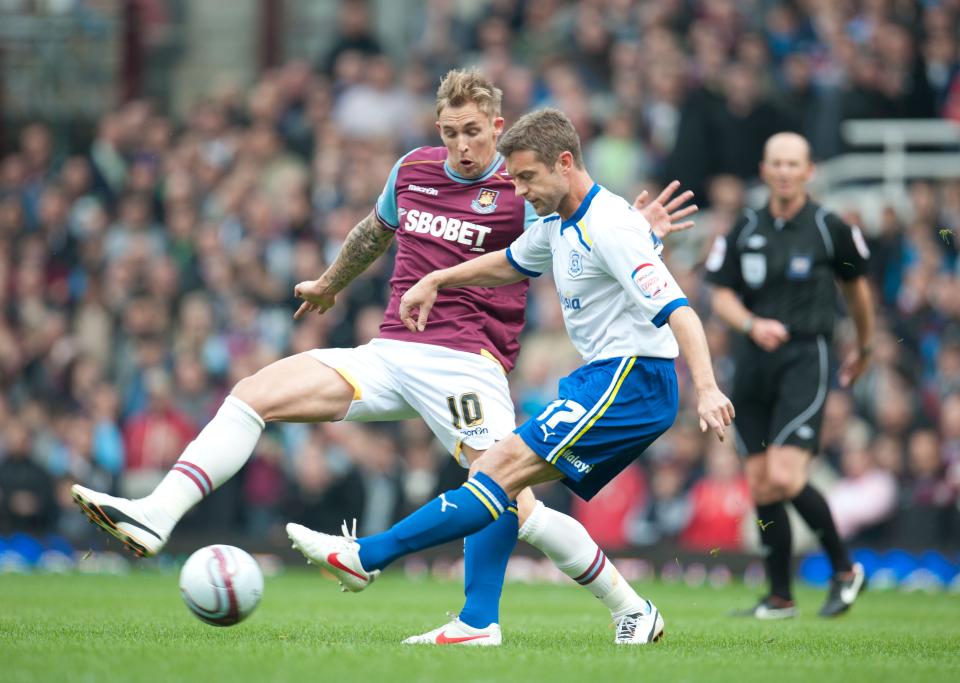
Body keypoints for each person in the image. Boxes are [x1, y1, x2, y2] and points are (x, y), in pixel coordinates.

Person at [71, 70, 697, 646]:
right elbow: (374, 231)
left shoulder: (519, 187)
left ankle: (554, 613)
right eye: (450, 133)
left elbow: (579, 214)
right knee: (255, 392)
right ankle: (156, 514)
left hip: (465, 363)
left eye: (474, 132)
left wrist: (633, 225)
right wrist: (330, 282)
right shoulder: (414, 170)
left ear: (497, 129)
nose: (461, 146)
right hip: (392, 349)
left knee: (513, 500)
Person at [285, 107, 734, 645]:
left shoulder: (609, 226)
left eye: (526, 177)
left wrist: (707, 389)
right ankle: (547, 619)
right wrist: (436, 280)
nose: (517, 191)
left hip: (634, 381)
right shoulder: (560, 224)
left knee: (496, 470)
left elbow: (682, 312)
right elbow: (508, 262)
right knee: (502, 479)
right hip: (605, 378)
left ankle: (367, 557)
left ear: (564, 163)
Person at [704, 131, 874, 618]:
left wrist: (864, 346)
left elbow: (857, 289)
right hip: (754, 361)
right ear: (764, 170)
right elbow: (720, 295)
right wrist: (752, 325)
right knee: (760, 484)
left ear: (808, 171)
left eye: (792, 163)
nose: (783, 171)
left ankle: (844, 569)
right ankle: (780, 597)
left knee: (783, 473)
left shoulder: (829, 227)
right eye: (775, 163)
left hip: (806, 357)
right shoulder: (745, 225)